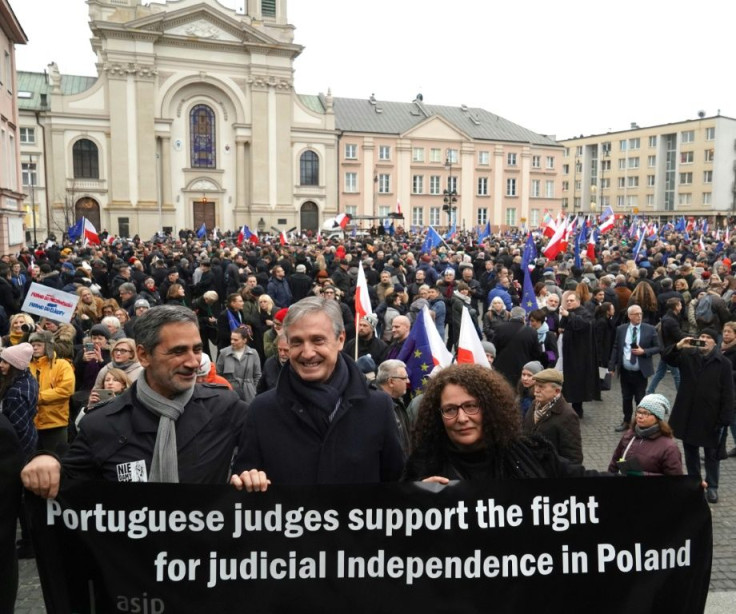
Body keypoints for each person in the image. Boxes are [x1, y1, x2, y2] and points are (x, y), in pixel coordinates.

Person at [21, 305, 249, 499]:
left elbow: (271, 439)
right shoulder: (101, 424)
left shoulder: (224, 407)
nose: (193, 363)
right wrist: (45, 459)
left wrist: (251, 472)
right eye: (178, 351)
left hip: (202, 549)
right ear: (143, 355)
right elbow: (67, 481)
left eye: (197, 350)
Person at [230, 296, 404, 492]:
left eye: (317, 340)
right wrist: (246, 479)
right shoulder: (261, 410)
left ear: (340, 340)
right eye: (297, 342)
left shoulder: (378, 407)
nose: (307, 353)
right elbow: (243, 475)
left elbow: (395, 485)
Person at [402, 364, 592, 483]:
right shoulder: (423, 465)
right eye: (450, 409)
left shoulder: (532, 453)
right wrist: (417, 499)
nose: (461, 418)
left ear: (490, 408)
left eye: (471, 406)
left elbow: (587, 483)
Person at [664, 329, 734, 504]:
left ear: (714, 342)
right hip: (689, 414)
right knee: (691, 453)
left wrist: (725, 418)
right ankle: (695, 484)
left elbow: (728, 393)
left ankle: (712, 486)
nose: (703, 340)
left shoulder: (723, 363)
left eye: (708, 338)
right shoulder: (688, 355)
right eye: (701, 337)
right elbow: (667, 358)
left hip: (711, 417)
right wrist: (679, 346)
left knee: (711, 454)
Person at [609, 305, 660, 432]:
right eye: (636, 314)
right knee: (626, 397)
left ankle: (640, 422)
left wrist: (644, 351)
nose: (639, 316)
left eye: (640, 313)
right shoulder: (621, 329)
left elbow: (658, 347)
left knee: (640, 398)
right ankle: (626, 421)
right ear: (629, 316)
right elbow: (616, 347)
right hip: (625, 371)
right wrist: (612, 365)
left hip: (640, 372)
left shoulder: (650, 329)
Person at [607, 394, 683, 476]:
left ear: (657, 417)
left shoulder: (669, 448)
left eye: (646, 413)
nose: (639, 416)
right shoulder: (629, 434)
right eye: (638, 412)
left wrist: (643, 475)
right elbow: (615, 462)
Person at [522, 368, 583, 464]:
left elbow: (573, 458)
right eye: (536, 386)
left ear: (557, 391)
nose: (536, 391)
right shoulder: (534, 404)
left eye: (541, 387)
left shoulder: (567, 415)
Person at [29, 330, 75, 455]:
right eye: (32, 345)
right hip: (31, 424)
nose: (35, 348)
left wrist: (36, 398)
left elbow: (66, 390)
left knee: (57, 461)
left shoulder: (62, 365)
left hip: (55, 423)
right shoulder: (27, 366)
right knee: (33, 461)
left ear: (48, 346)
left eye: (39, 344)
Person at [559, 291, 600, 418]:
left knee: (577, 382)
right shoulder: (571, 313)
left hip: (580, 355)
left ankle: (577, 410)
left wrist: (568, 315)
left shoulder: (584, 313)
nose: (569, 303)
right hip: (569, 353)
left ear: (578, 301)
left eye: (571, 300)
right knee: (569, 381)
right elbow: (561, 327)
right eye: (567, 301)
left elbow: (583, 324)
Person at [0, 342, 39, 458]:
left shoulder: (15, 393)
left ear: (15, 365)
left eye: (5, 362)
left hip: (17, 449)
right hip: (30, 438)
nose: (0, 365)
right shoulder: (28, 378)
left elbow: (16, 428)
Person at [215, 325, 261, 405]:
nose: (232, 342)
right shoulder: (224, 353)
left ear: (244, 340)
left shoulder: (253, 353)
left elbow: (257, 375)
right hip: (230, 393)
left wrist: (254, 389)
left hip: (249, 394)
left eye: (236, 340)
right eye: (231, 339)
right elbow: (218, 375)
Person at [375, 359, 412, 455]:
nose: (408, 381)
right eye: (404, 378)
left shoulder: (398, 401)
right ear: (391, 381)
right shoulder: (377, 406)